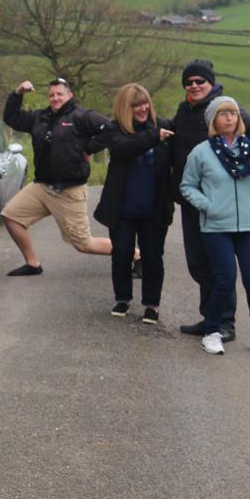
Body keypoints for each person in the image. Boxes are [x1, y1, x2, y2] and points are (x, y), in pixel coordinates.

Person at [168, 59, 250, 343]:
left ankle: (225, 323)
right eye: (188, 82)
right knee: (199, 264)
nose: (193, 86)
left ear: (210, 83)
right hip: (193, 200)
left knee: (220, 267)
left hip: (221, 206)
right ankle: (211, 318)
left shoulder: (224, 107)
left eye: (199, 81)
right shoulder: (184, 111)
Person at [0, 77, 114, 276]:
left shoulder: (81, 117)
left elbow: (111, 129)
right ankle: (33, 263)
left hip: (69, 190)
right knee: (11, 216)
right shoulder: (40, 117)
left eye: (59, 94)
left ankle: (136, 255)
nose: (55, 98)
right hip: (42, 187)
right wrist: (18, 94)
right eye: (51, 95)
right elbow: (12, 118)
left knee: (83, 244)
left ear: (70, 95)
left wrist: (90, 148)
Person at [89, 84, 175, 324]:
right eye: (136, 104)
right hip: (122, 209)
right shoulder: (116, 131)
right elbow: (123, 149)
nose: (142, 108)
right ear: (125, 108)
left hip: (154, 208)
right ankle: (123, 298)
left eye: (145, 102)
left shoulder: (164, 126)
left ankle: (152, 304)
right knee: (122, 253)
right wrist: (153, 137)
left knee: (152, 257)